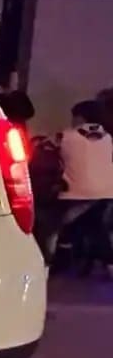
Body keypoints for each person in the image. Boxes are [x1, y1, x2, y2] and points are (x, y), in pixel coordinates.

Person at [47, 100, 113, 273]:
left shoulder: (65, 136)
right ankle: (104, 261)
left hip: (75, 192)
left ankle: (60, 260)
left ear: (81, 117)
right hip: (106, 192)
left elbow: (45, 148)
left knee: (65, 223)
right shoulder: (108, 138)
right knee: (95, 224)